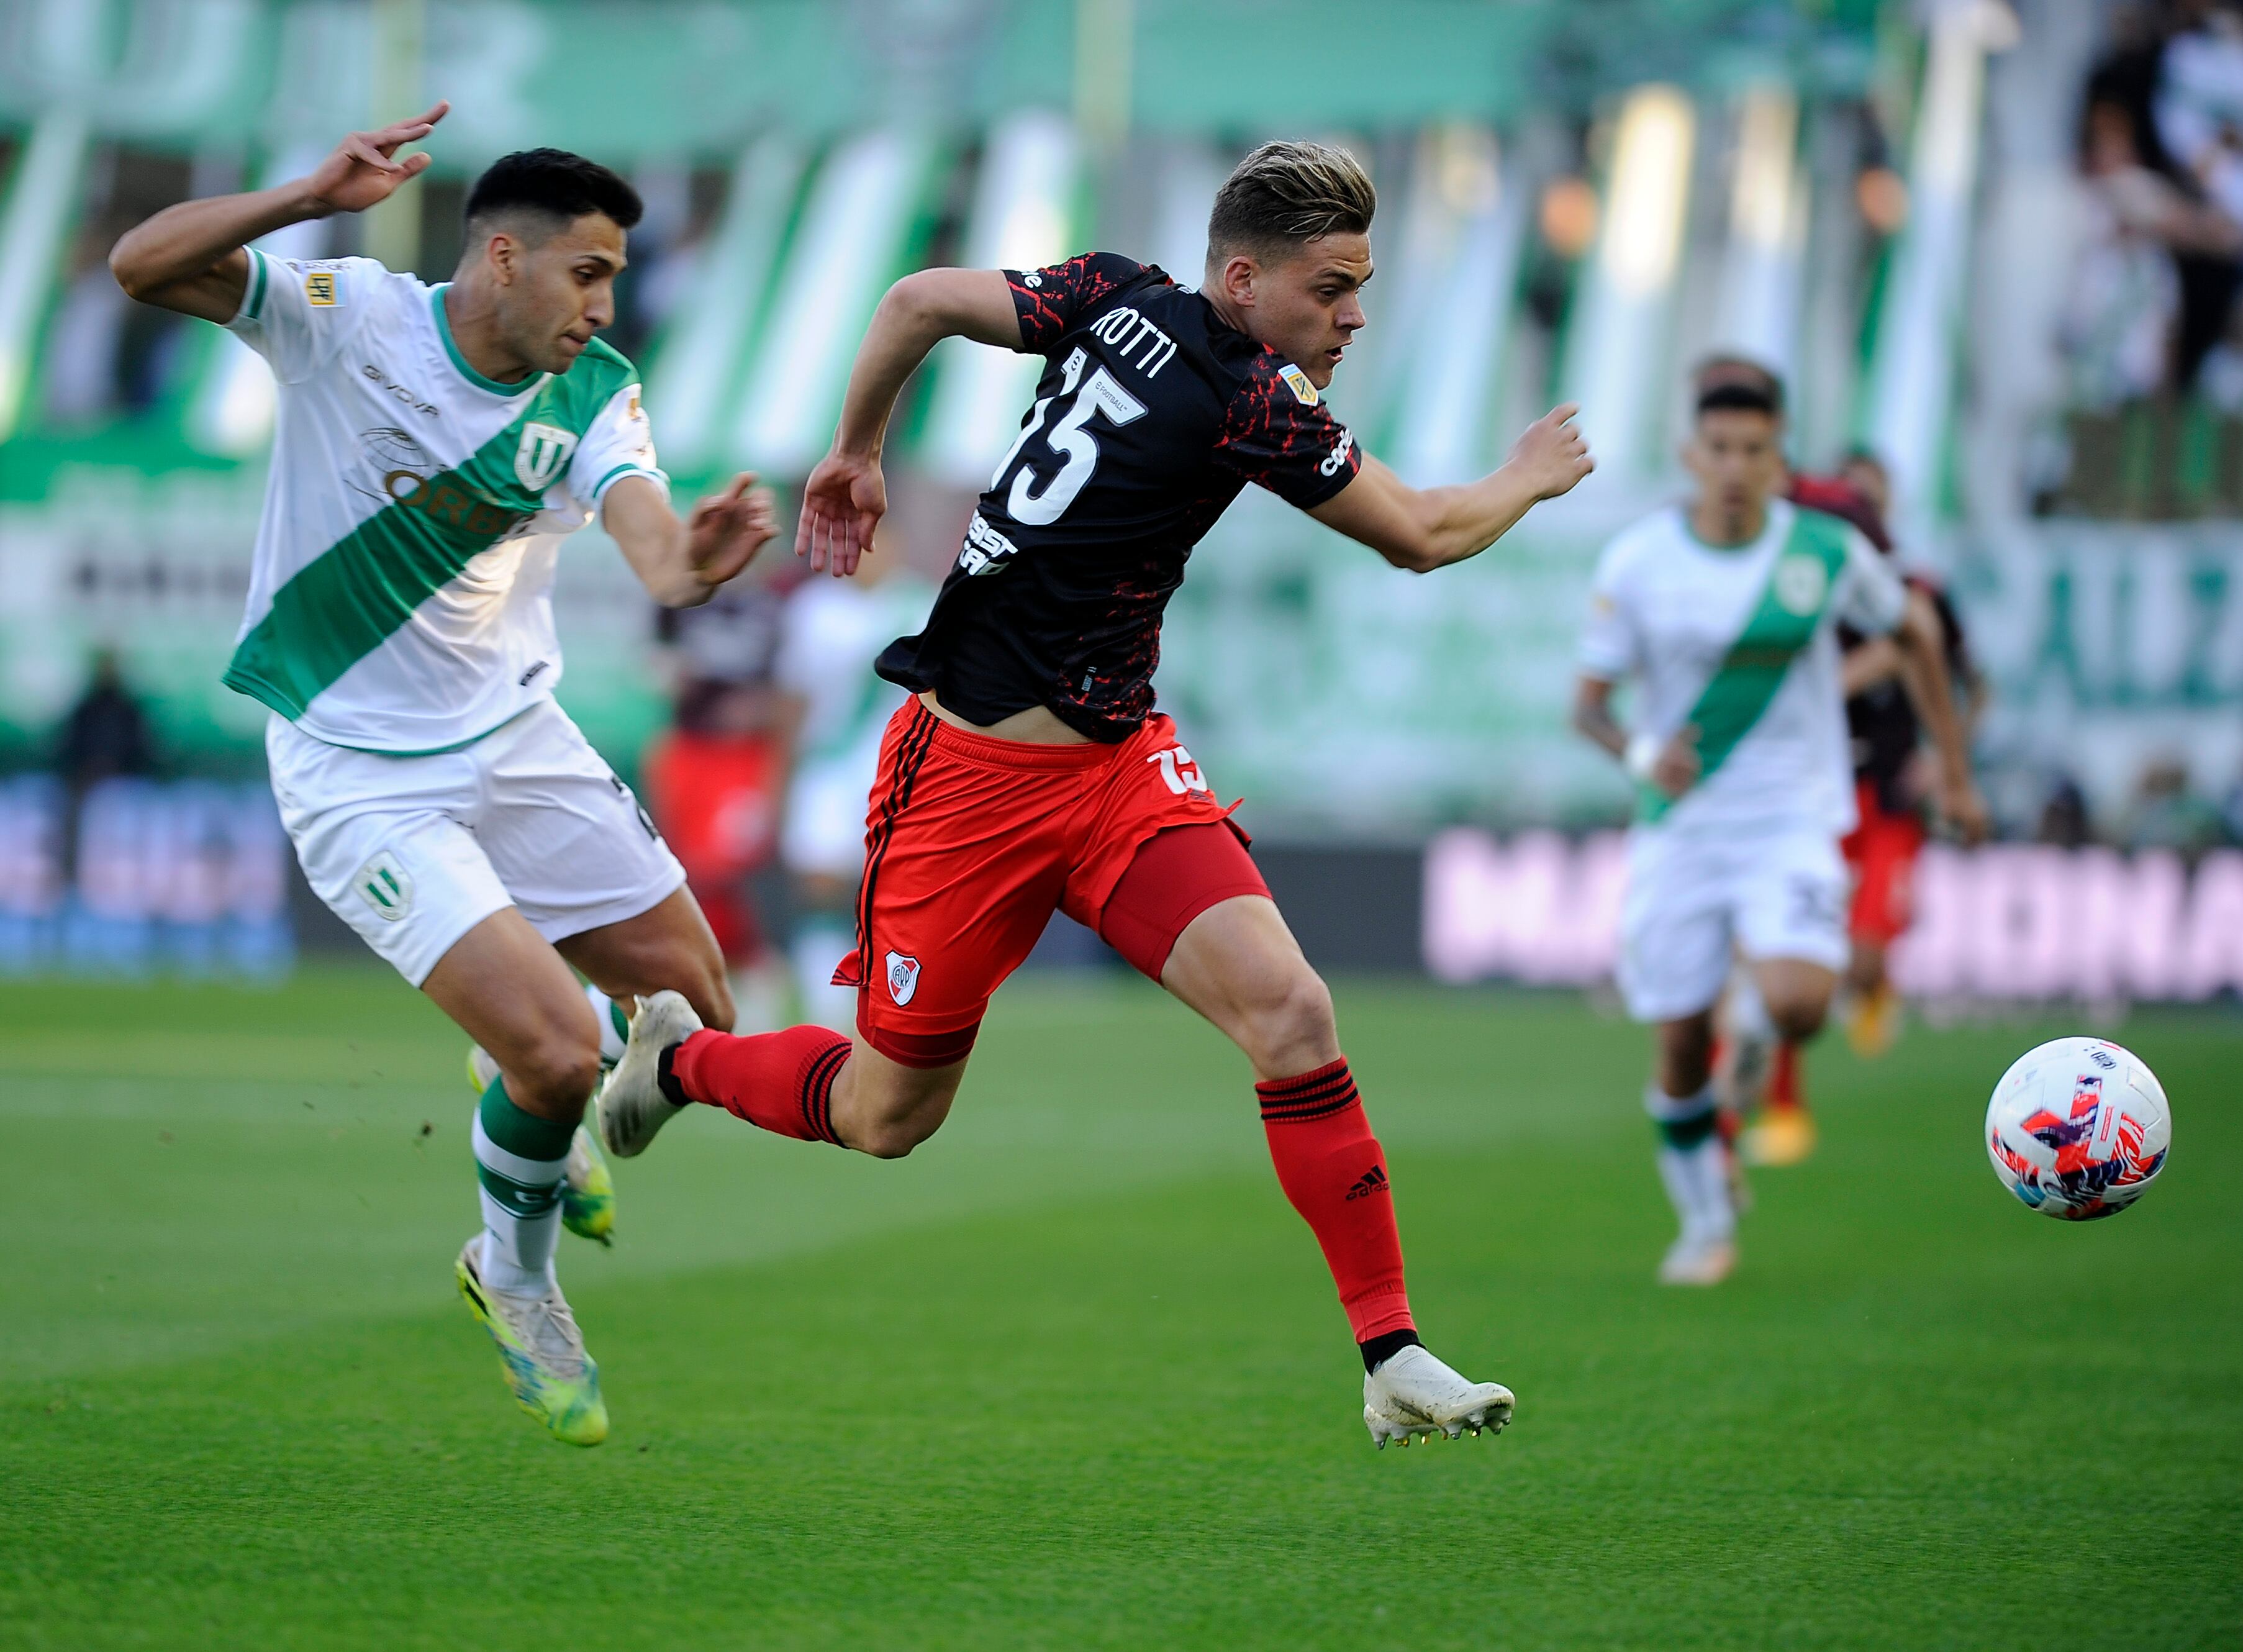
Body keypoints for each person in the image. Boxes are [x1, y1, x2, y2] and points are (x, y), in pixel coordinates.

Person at [595, 141, 1592, 1448]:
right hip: (968, 785)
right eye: (1333, 286)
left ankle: (1391, 1350)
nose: (1354, 314)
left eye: (1361, 286)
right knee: (888, 1116)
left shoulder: (1117, 293)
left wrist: (857, 453)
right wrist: (1524, 472)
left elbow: (913, 303)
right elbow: (1422, 535)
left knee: (1292, 1010)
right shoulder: (1250, 399)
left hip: (1118, 769)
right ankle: (680, 1059)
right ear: (1244, 278)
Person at [109, 107, 777, 1446]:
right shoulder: (350, 317)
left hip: (515, 740)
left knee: (692, 1012)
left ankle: (526, 1091)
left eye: (617, 279)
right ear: (502, 259)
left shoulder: (594, 389)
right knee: (554, 1046)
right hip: (358, 770)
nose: (605, 302)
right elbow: (141, 265)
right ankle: (513, 1278)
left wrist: (693, 560)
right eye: (587, 272)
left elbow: (649, 548)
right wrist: (307, 191)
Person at [1571, 372, 1978, 1286]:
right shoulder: (1638, 562)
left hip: (1792, 817)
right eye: (1720, 449)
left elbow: (1915, 630)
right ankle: (1706, 1221)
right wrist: (1642, 755)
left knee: (1801, 1003)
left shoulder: (1823, 551)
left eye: (1755, 452)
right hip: (1680, 827)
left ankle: (1756, 1026)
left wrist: (1953, 768)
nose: (1736, 468)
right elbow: (1589, 707)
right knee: (1678, 1043)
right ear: (1690, 455)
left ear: (1779, 461)